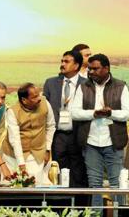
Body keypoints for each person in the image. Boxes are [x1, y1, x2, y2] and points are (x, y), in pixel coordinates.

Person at [70, 53, 129, 215]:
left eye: (95, 69)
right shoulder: (84, 87)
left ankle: (119, 214)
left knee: (116, 183)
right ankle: (96, 214)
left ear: (106, 68)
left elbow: (127, 114)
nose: (91, 72)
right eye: (90, 69)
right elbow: (74, 113)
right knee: (94, 184)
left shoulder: (120, 86)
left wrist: (110, 113)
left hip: (114, 141)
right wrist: (93, 114)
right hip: (91, 143)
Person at [43, 50, 89, 189]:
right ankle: (62, 204)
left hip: (78, 134)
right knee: (58, 173)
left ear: (76, 66)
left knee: (79, 173)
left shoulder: (87, 84)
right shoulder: (51, 83)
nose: (62, 64)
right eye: (62, 61)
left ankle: (80, 207)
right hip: (58, 135)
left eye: (66, 61)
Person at [1, 83, 55, 184]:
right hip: (13, 157)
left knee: (36, 185)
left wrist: (48, 149)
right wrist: (21, 164)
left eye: (38, 94)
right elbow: (15, 140)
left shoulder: (45, 103)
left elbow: (51, 126)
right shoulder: (13, 112)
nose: (39, 98)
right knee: (13, 186)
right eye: (34, 97)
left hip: (37, 153)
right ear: (24, 100)